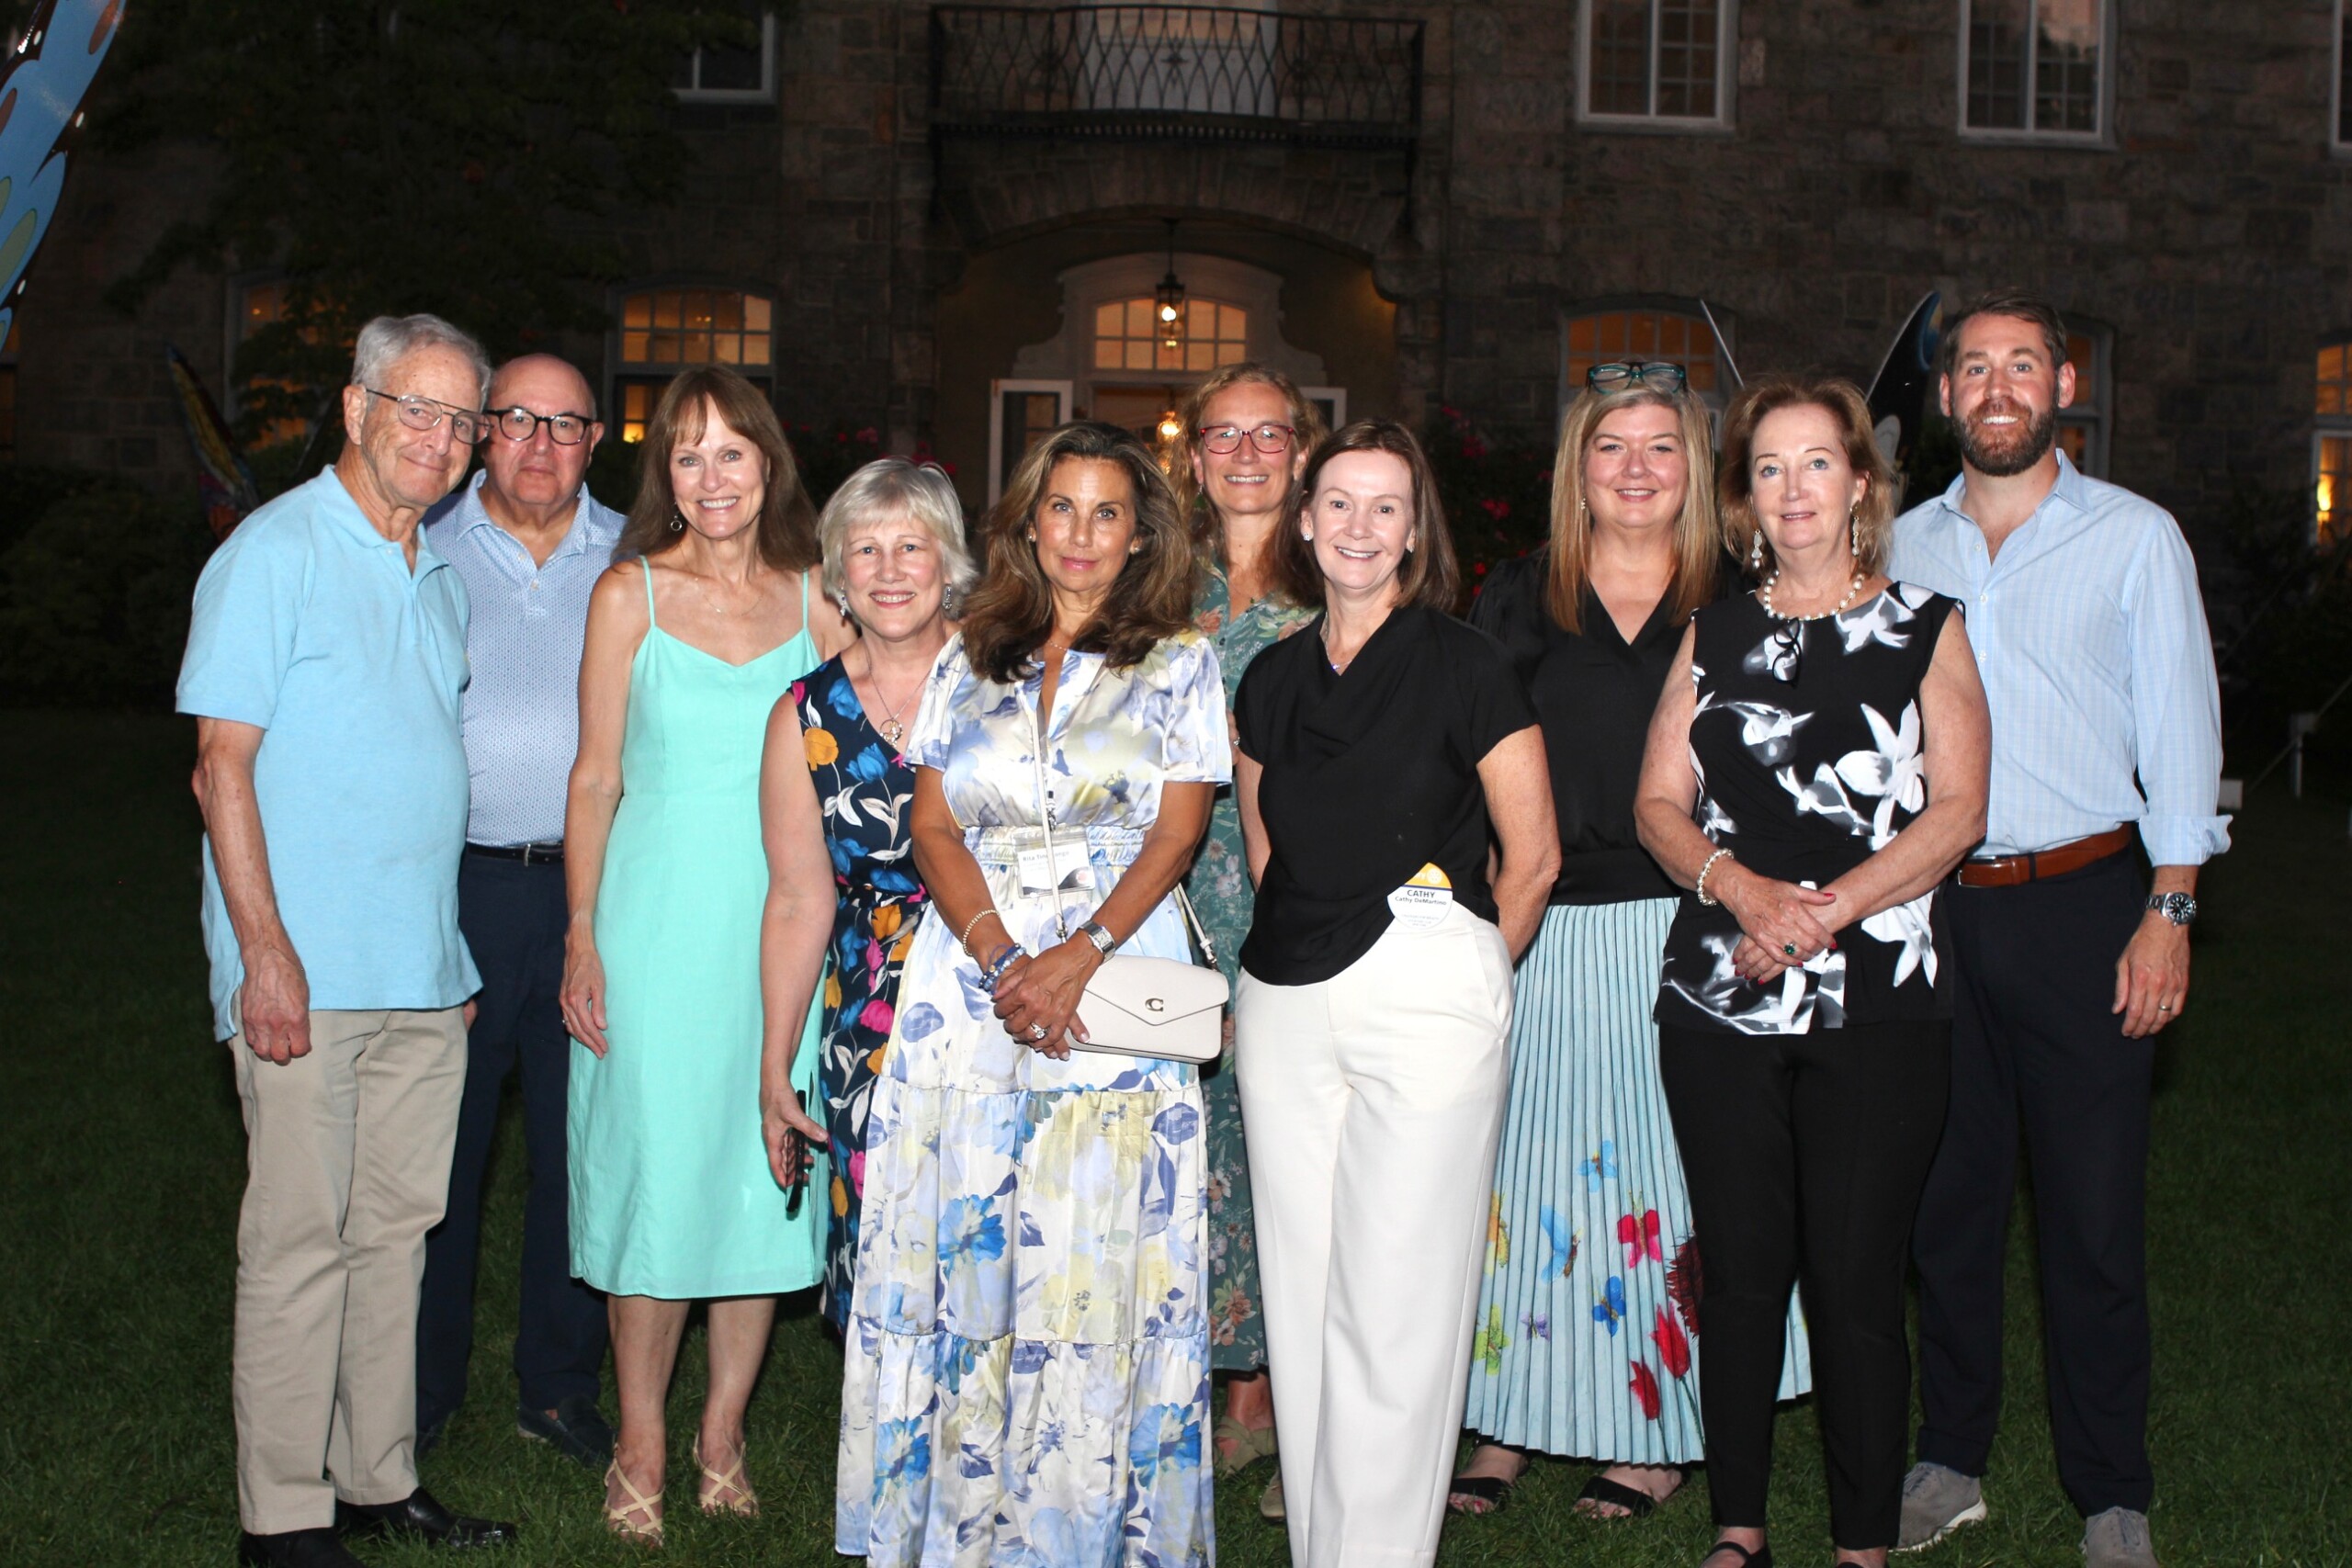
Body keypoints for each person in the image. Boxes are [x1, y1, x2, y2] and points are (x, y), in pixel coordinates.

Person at [834, 421, 1226, 1566]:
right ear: (1028, 520)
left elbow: (1181, 823)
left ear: (1140, 531)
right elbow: (935, 822)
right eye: (1063, 508)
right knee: (972, 1250)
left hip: (1113, 983)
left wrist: (1081, 951)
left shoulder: (1178, 659)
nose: (1082, 535)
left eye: (1109, 512)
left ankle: (1084, 1531)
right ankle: (959, 1524)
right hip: (970, 991)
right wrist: (1006, 958)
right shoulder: (971, 652)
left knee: (1097, 1254)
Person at [1888, 294, 2227, 1568]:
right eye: (1973, 366)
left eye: (2021, 363)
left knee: (2091, 1215)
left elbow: (2184, 729)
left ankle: (2111, 1486)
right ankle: (1949, 1454)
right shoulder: (1901, 546)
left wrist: (2170, 907)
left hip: (2092, 903)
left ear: (2064, 383)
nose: (1996, 385)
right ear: (1944, 393)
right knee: (1946, 1202)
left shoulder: (2135, 539)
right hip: (1936, 913)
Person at [1633, 375, 1991, 1568]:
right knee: (1738, 1270)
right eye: (1770, 468)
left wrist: (1822, 909)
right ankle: (1739, 1525)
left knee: (1851, 1278)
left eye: (1817, 463)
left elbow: (1958, 812)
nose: (1794, 489)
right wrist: (1744, 892)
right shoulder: (1713, 631)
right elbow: (1657, 802)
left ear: (1860, 485)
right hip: (1721, 989)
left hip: (1882, 989)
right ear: (1745, 498)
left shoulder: (1929, 627)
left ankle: (1862, 1542)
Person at [179, 312, 515, 1568]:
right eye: (414, 410)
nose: (438, 439)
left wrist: (449, 963)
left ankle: (378, 1476)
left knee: (395, 1233)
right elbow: (222, 768)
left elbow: (414, 778)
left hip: (422, 979)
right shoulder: (276, 552)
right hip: (304, 977)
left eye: (458, 419)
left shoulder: (432, 569)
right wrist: (264, 955)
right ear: (358, 406)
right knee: (299, 1241)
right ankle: (283, 1513)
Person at [1452, 367, 1811, 1519]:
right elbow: (1465, 767)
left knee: (1673, 1182)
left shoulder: (1740, 593)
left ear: (1694, 470)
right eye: (1612, 447)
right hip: (1544, 922)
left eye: (1663, 447)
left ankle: (1659, 1426)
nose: (1638, 469)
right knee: (1525, 1172)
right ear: (1577, 468)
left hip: (1693, 925)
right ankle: (1506, 1419)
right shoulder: (1513, 597)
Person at [1234, 419, 1559, 1568]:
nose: (1358, 527)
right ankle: (1325, 1546)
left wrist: (1469, 978)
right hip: (1282, 1001)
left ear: (1413, 530)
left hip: (1426, 992)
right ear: (1305, 519)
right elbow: (1267, 845)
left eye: (1385, 507)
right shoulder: (1270, 676)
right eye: (1338, 503)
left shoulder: (1467, 663)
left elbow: (1533, 858)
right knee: (1307, 1291)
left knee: (1399, 1302)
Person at [560, 367, 852, 1545]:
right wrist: (580, 932)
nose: (711, 476)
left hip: (785, 925)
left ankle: (720, 1431)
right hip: (656, 919)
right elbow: (595, 776)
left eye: (732, 453)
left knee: (756, 1176)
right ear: (663, 474)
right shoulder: (627, 593)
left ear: (768, 463)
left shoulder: (818, 595)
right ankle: (638, 1435)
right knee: (655, 1174)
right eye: (687, 455)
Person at [414, 354, 620, 1470]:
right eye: (517, 420)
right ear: (484, 431)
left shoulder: (642, 556)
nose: (539, 444)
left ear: (598, 440)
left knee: (575, 1144)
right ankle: (419, 1387)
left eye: (565, 424)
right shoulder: (422, 546)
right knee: (438, 1155)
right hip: (464, 883)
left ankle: (557, 1383)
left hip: (598, 891)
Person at [1171, 361, 1327, 1519]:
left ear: (1302, 446)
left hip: (1296, 884)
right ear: (1191, 457)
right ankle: (1198, 1371)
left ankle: (1275, 1393)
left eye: (1267, 434)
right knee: (1194, 1133)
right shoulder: (1155, 581)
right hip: (1175, 893)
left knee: (1289, 1130)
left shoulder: (1341, 570)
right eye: (1221, 436)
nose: (1244, 454)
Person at [767, 457, 970, 1329]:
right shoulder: (804, 715)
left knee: (991, 1224)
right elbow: (796, 901)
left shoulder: (1005, 688)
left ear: (950, 563)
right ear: (836, 576)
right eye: (865, 550)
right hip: (870, 1012)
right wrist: (777, 1067)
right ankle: (887, 1449)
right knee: (884, 1221)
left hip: (999, 991)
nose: (889, 571)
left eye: (910, 547)